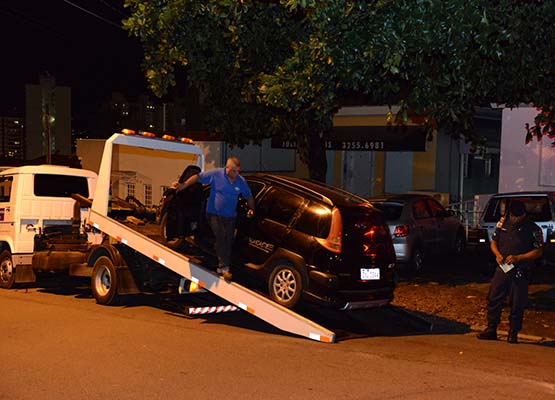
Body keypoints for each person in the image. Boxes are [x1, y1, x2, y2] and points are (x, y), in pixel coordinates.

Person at [175, 157, 254, 280]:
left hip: (230, 216)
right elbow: (198, 177)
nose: (236, 174)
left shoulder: (240, 181)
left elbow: (248, 196)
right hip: (214, 213)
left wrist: (251, 208)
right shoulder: (216, 174)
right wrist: (184, 185)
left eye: (238, 171)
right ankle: (224, 267)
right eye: (234, 171)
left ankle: (219, 261)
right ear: (227, 168)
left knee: (228, 240)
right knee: (221, 235)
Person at [477, 200, 543, 343]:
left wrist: (519, 258)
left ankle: (513, 333)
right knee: (494, 298)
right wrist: (497, 255)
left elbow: (538, 251)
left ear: (523, 215)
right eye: (512, 216)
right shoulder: (503, 223)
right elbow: (494, 242)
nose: (514, 219)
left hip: (521, 270)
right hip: (502, 268)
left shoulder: (533, 229)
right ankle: (491, 328)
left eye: (517, 217)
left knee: (517, 302)